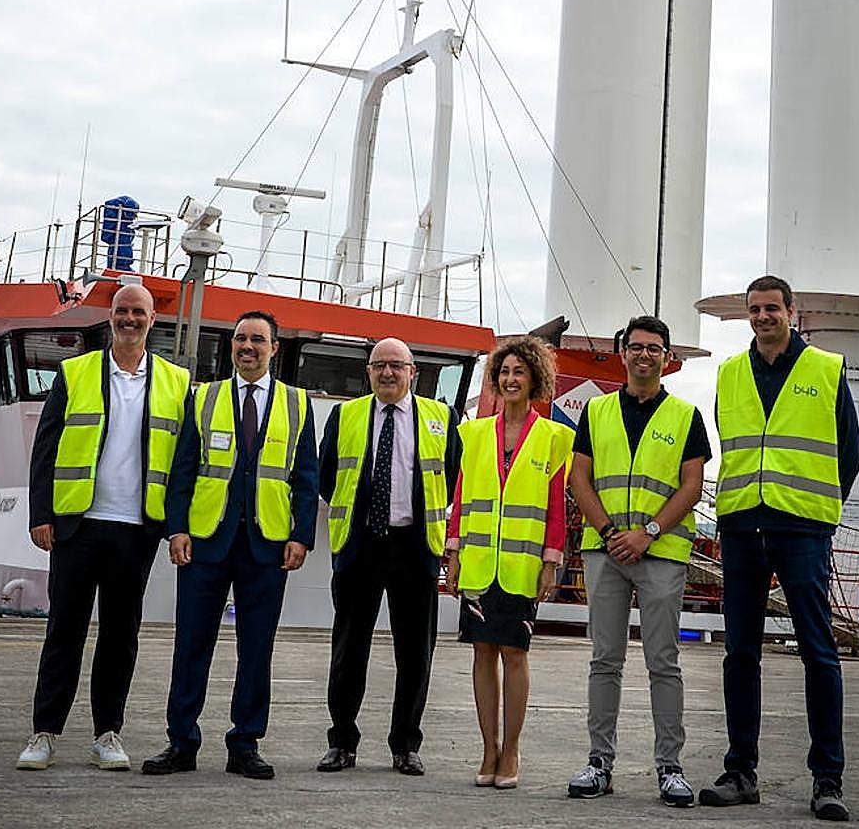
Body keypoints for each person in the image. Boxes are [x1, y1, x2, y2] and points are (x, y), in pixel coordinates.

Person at [698, 275, 859, 821]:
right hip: (743, 527)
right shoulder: (729, 373)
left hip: (802, 531)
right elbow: (731, 442)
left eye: (772, 308)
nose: (763, 316)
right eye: (755, 309)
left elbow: (849, 452)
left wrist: (815, 509)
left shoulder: (827, 369)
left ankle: (827, 779)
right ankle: (740, 770)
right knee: (740, 653)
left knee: (819, 653)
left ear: (792, 312)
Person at [18, 282, 190, 772]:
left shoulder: (177, 382)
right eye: (122, 311)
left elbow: (181, 463)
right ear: (110, 317)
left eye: (138, 312)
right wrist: (41, 514)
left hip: (136, 530)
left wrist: (172, 525)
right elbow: (45, 450)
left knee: (120, 635)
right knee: (64, 631)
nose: (129, 319)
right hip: (78, 525)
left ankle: (106, 733)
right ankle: (43, 732)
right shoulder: (75, 373)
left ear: (152, 320)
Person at [141, 310, 318, 781]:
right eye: (241, 338)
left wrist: (301, 535)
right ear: (232, 345)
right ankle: (181, 742)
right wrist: (176, 528)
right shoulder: (204, 398)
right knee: (191, 645)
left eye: (258, 339)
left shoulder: (298, 405)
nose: (248, 347)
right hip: (205, 544)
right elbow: (183, 470)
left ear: (274, 348)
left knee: (256, 650)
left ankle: (245, 744)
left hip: (267, 546)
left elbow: (305, 479)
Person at [565, 315, 710, 806]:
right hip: (606, 552)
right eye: (636, 347)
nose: (644, 355)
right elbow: (578, 478)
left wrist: (647, 533)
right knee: (604, 660)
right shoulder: (596, 412)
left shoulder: (686, 416)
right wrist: (610, 533)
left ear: (667, 358)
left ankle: (670, 767)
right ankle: (598, 763)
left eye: (654, 348)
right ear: (621, 352)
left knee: (663, 662)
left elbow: (692, 485)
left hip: (661, 553)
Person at [315, 338, 461, 777]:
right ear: (369, 372)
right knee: (348, 649)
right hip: (360, 546)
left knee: (416, 652)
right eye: (380, 365)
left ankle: (405, 745)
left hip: (414, 548)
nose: (388, 373)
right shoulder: (346, 416)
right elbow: (327, 478)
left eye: (397, 365)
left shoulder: (440, 418)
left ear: (412, 371)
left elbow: (452, 475)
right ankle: (342, 741)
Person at [444, 336, 574, 790]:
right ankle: (488, 748)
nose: (511, 379)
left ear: (535, 378)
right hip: (479, 562)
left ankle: (513, 749)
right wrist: (453, 552)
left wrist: (550, 562)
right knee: (482, 653)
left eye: (519, 372)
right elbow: (461, 498)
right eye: (504, 372)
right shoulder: (474, 433)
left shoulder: (556, 437)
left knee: (515, 654)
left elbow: (556, 508)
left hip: (522, 566)